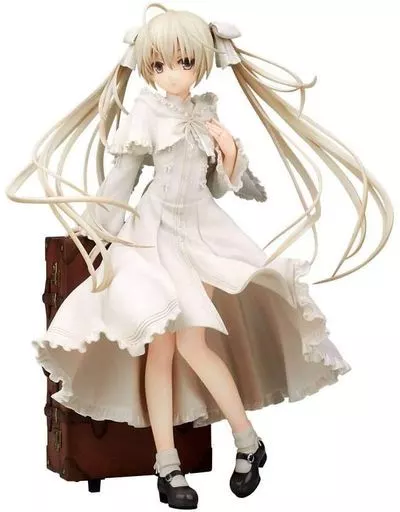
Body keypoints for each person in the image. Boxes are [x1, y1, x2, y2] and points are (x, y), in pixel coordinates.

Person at [5, 2, 393, 509]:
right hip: (154, 234)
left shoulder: (207, 111)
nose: (172, 73)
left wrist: (229, 153)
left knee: (192, 343)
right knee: (161, 350)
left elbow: (219, 185)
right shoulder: (145, 113)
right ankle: (168, 464)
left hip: (201, 233)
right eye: (159, 64)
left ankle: (246, 441)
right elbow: (124, 176)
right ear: (147, 66)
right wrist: (97, 226)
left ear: (202, 62)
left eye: (184, 62)